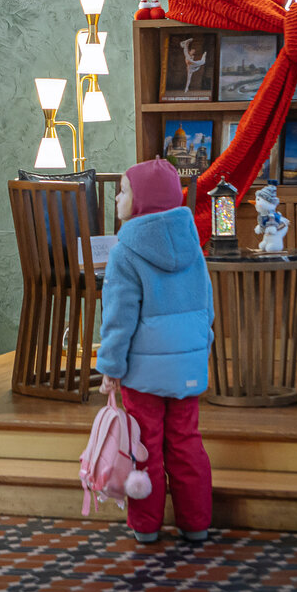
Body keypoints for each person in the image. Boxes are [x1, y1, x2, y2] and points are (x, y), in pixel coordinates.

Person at [97, 156, 214, 544]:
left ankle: (146, 526)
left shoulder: (125, 251)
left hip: (143, 373)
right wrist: (200, 350)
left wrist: (110, 367)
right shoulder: (192, 244)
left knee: (144, 446)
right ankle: (196, 523)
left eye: (123, 192)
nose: (117, 199)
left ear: (142, 200)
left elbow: (119, 319)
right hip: (188, 368)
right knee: (187, 443)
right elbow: (206, 306)